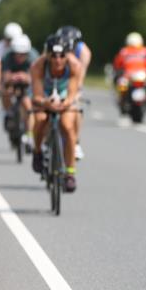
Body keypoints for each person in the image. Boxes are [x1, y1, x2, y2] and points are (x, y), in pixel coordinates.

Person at [30, 34, 83, 193]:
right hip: (45, 95)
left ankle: (70, 173)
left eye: (62, 55)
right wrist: (46, 103)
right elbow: (37, 95)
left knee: (67, 126)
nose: (58, 60)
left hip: (65, 95)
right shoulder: (38, 66)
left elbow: (72, 94)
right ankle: (37, 151)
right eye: (53, 56)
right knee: (40, 119)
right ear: (47, 55)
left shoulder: (74, 65)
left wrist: (65, 103)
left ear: (68, 55)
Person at [56, 26, 91, 160]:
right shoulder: (54, 47)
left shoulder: (84, 52)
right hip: (56, 79)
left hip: (73, 78)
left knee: (76, 106)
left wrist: (74, 94)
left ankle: (75, 142)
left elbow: (79, 78)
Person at [0, 34, 39, 150]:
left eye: (23, 54)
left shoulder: (34, 57)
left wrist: (26, 77)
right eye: (17, 54)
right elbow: (5, 76)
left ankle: (30, 135)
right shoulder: (7, 57)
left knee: (28, 105)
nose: (20, 57)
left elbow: (37, 77)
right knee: (5, 92)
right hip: (12, 80)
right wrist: (12, 78)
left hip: (28, 82)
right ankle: (9, 113)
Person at [113, 32, 146, 116]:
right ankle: (123, 101)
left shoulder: (127, 51)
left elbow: (117, 64)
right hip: (132, 77)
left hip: (137, 76)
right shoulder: (142, 51)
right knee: (121, 85)